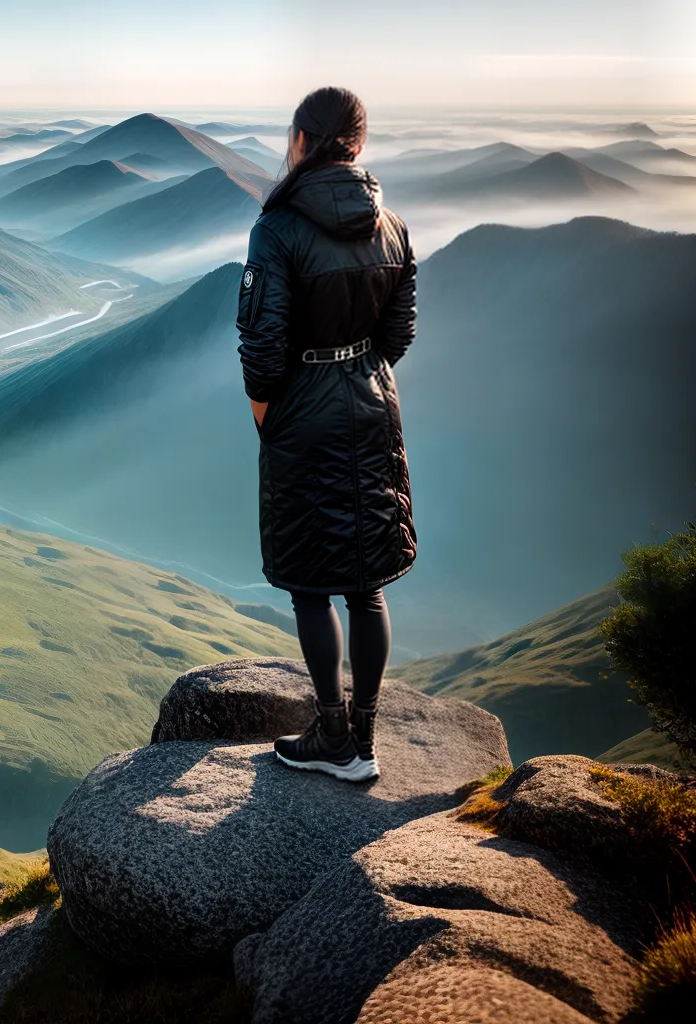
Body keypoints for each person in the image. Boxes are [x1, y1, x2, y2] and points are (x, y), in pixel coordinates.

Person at [236, 86, 417, 783]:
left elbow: (262, 346)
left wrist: (269, 415)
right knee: (367, 582)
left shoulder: (276, 230)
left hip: (303, 412)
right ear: (360, 145)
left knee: (311, 581)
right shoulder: (393, 225)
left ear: (302, 141)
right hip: (374, 405)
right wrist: (357, 372)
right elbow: (398, 335)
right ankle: (366, 741)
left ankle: (333, 736)